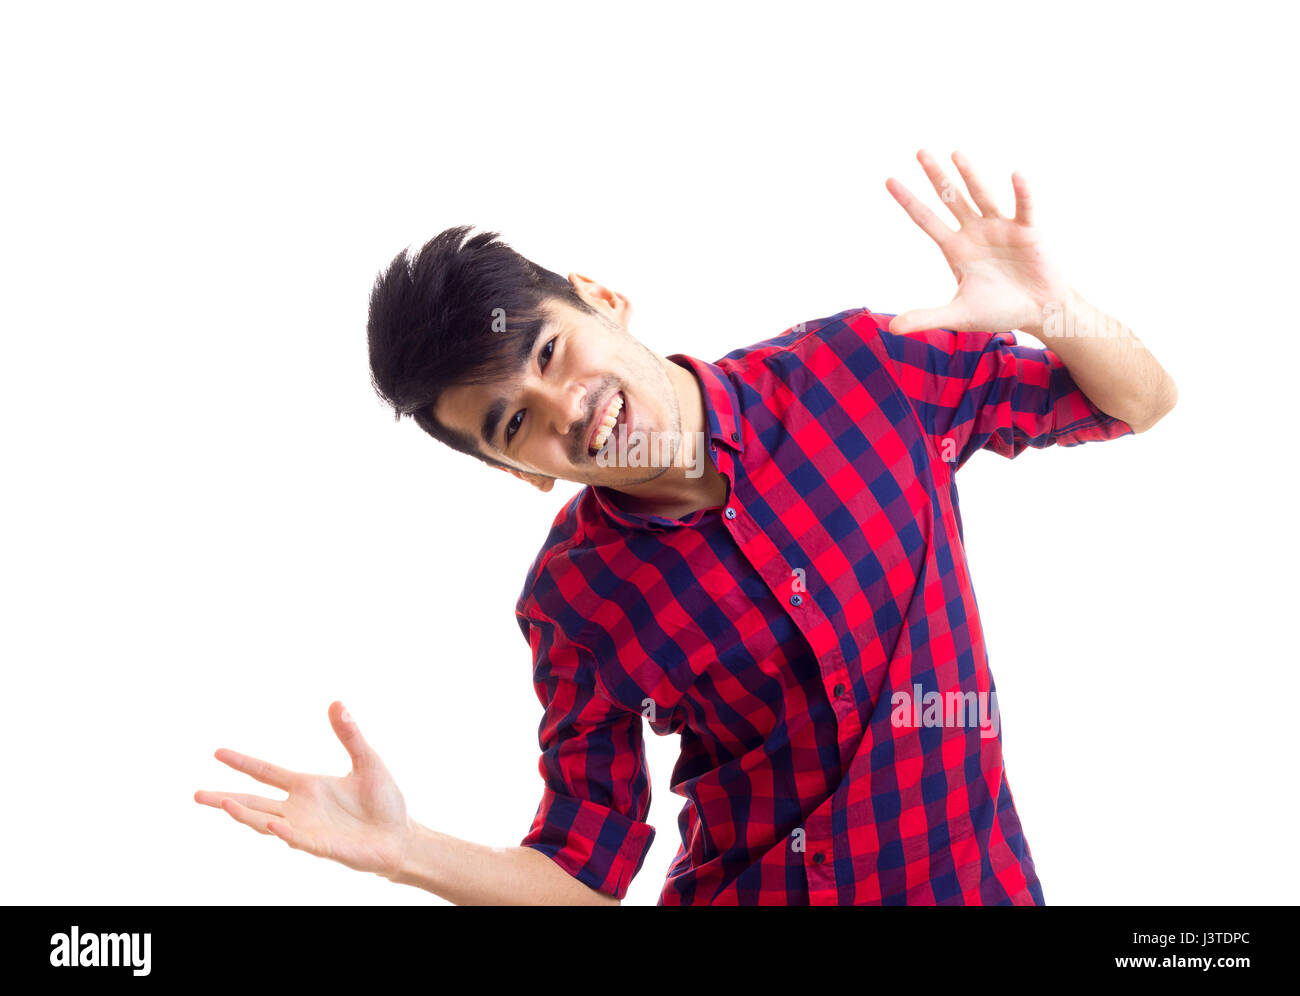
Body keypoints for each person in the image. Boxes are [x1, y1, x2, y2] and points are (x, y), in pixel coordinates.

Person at [195, 149, 1177, 905]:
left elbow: (1136, 402)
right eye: (515, 424)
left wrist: (1056, 310)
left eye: (550, 350)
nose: (567, 408)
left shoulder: (868, 370)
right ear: (514, 471)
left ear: (604, 299)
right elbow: (584, 866)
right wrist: (406, 851)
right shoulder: (572, 602)